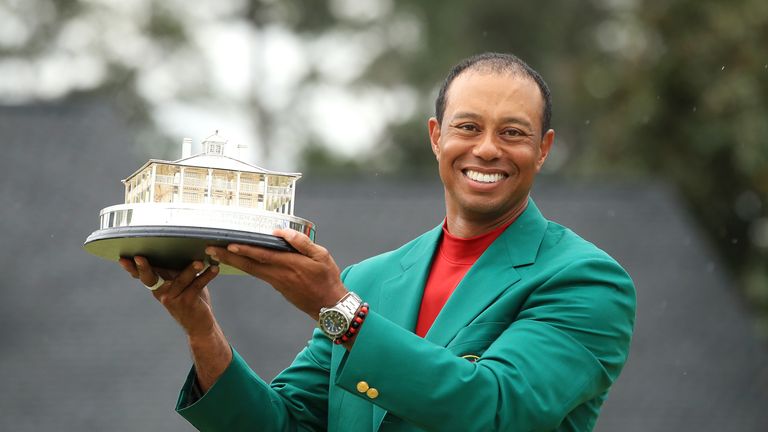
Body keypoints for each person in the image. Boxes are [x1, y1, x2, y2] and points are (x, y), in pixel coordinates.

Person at [119, 52, 636, 431]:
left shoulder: (586, 281)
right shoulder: (369, 280)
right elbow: (285, 427)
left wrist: (334, 307)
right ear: (436, 136)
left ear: (543, 149)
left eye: (513, 133)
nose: (486, 149)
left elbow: (496, 410)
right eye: (468, 126)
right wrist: (201, 328)